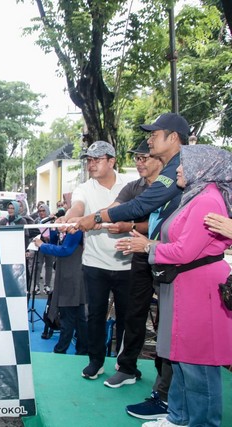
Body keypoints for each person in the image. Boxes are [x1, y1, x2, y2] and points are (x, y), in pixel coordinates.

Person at [74, 113, 189, 419]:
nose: (149, 143)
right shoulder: (170, 172)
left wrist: (99, 220)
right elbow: (127, 208)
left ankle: (170, 401)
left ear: (173, 137)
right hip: (160, 259)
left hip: (183, 263)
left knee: (175, 330)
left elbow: (140, 209)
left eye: (154, 136)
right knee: (160, 326)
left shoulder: (182, 168)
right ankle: (161, 393)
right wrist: (90, 218)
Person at [116, 145, 232, 427]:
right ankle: (179, 417)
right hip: (186, 286)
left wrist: (148, 247)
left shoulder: (207, 200)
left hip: (200, 289)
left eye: (184, 164)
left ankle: (203, 423)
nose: (178, 169)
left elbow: (184, 251)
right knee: (181, 358)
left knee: (199, 365)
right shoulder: (195, 197)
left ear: (201, 169)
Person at [58, 140, 133, 380]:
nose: (91, 164)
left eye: (97, 160)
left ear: (112, 161)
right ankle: (96, 361)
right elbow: (76, 208)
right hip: (95, 264)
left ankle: (125, 365)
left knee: (126, 318)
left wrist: (92, 219)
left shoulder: (129, 186)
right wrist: (68, 219)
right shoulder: (84, 188)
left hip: (128, 263)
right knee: (95, 316)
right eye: (89, 160)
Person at [101, 141, 164, 389]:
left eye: (144, 157)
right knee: (133, 313)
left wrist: (131, 227)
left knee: (167, 319)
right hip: (139, 254)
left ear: (160, 159)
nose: (139, 162)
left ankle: (165, 376)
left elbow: (158, 223)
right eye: (136, 158)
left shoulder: (170, 186)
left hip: (167, 256)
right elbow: (114, 210)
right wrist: (88, 219)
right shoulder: (133, 186)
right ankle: (127, 367)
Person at [35, 227, 87, 355]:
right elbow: (55, 244)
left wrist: (42, 246)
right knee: (79, 318)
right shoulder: (68, 231)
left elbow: (65, 250)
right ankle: (82, 350)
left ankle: (60, 350)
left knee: (68, 317)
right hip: (69, 277)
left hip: (72, 279)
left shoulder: (77, 230)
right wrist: (53, 230)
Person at [35, 202, 55, 293]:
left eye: (43, 210)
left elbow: (55, 233)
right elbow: (34, 233)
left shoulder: (52, 221)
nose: (41, 213)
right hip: (39, 246)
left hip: (50, 245)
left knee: (49, 266)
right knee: (38, 265)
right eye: (40, 211)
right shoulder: (36, 221)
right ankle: (36, 286)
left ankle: (47, 286)